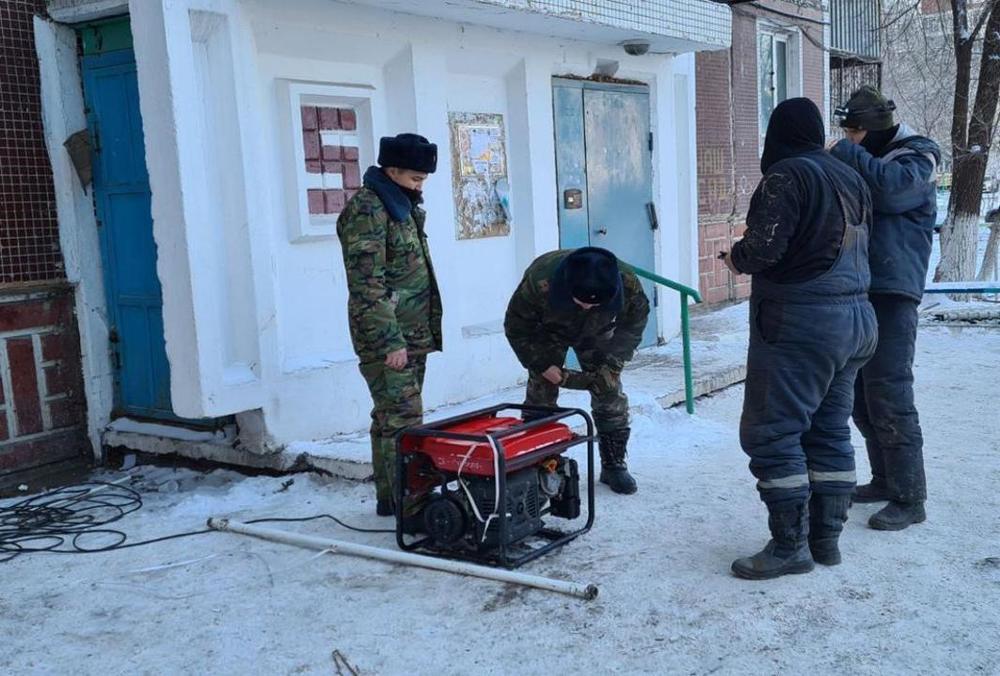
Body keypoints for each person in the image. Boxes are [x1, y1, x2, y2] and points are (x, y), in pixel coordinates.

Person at [724, 98, 877, 580]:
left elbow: (764, 249)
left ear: (778, 134)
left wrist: (735, 258)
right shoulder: (849, 176)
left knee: (772, 432)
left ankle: (790, 547)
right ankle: (824, 540)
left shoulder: (787, 175)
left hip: (802, 324)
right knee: (828, 429)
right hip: (856, 322)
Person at [829, 85, 941, 531]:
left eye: (854, 133)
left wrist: (847, 153)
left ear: (872, 129)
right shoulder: (874, 157)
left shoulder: (917, 158)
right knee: (860, 394)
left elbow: (891, 193)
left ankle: (911, 498)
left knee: (890, 394)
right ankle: (884, 479)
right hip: (862, 288)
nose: (850, 141)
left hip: (894, 292)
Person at [336, 133, 442, 516]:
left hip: (410, 334)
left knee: (391, 417)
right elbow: (367, 285)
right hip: (389, 339)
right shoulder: (368, 210)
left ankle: (392, 499)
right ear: (392, 171)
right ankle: (412, 509)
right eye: (415, 178)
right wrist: (389, 341)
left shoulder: (401, 204)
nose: (420, 186)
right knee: (403, 420)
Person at [504, 247, 649, 494]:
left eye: (595, 303)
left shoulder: (626, 283)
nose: (587, 307)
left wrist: (613, 362)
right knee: (540, 397)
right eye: (581, 302)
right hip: (547, 332)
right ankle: (539, 464)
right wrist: (541, 364)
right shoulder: (540, 281)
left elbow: (634, 324)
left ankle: (613, 464)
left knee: (609, 391)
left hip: (597, 332)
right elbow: (516, 327)